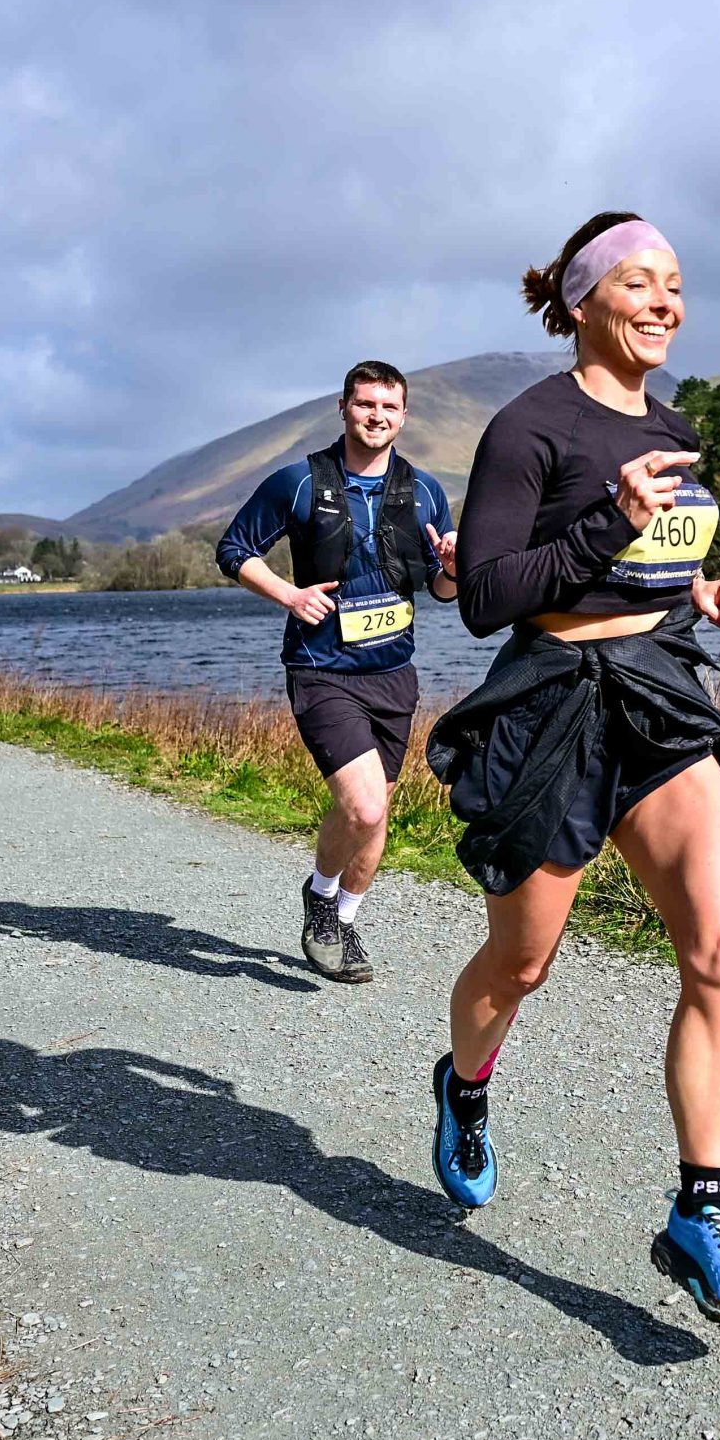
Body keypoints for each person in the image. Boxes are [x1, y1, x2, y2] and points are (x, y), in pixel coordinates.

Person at [424, 212, 720, 1325]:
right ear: (583, 300)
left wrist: (697, 585)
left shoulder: (672, 423)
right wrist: (610, 530)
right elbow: (485, 596)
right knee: (519, 967)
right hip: (550, 709)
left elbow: (661, 559)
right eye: (641, 282)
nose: (666, 303)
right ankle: (464, 1085)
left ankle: (699, 1207)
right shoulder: (527, 428)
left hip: (660, 699)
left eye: (676, 284)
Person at [216, 362, 459, 985]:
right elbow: (234, 550)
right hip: (322, 669)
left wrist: (455, 569)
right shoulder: (298, 483)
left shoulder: (426, 491)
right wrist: (290, 595)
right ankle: (322, 901)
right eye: (365, 404)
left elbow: (441, 588)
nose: (376, 416)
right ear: (343, 408)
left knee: (373, 817)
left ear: (403, 417)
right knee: (366, 806)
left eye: (389, 407)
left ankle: (342, 917)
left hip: (393, 673)